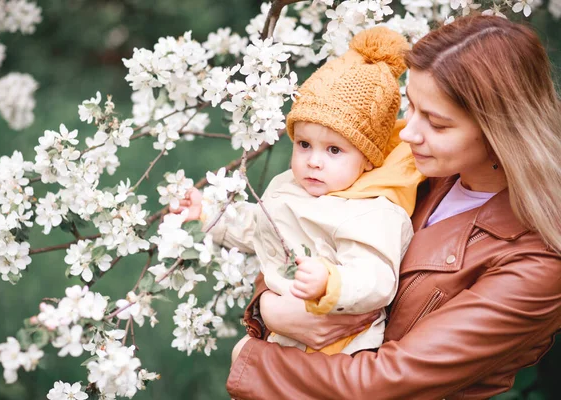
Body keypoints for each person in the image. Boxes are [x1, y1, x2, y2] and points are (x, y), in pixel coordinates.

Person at [226, 15, 561, 400]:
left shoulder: (538, 262)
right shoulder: (407, 163)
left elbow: (388, 382)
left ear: (500, 129)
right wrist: (271, 307)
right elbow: (297, 224)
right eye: (412, 106)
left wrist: (250, 361)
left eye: (436, 123)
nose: (408, 132)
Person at [173, 27, 423, 356]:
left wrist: (331, 282)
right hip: (287, 337)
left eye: (334, 150)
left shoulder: (372, 210)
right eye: (304, 144)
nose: (314, 161)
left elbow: (375, 278)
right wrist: (208, 214)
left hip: (342, 346)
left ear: (366, 159)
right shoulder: (291, 188)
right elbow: (261, 229)